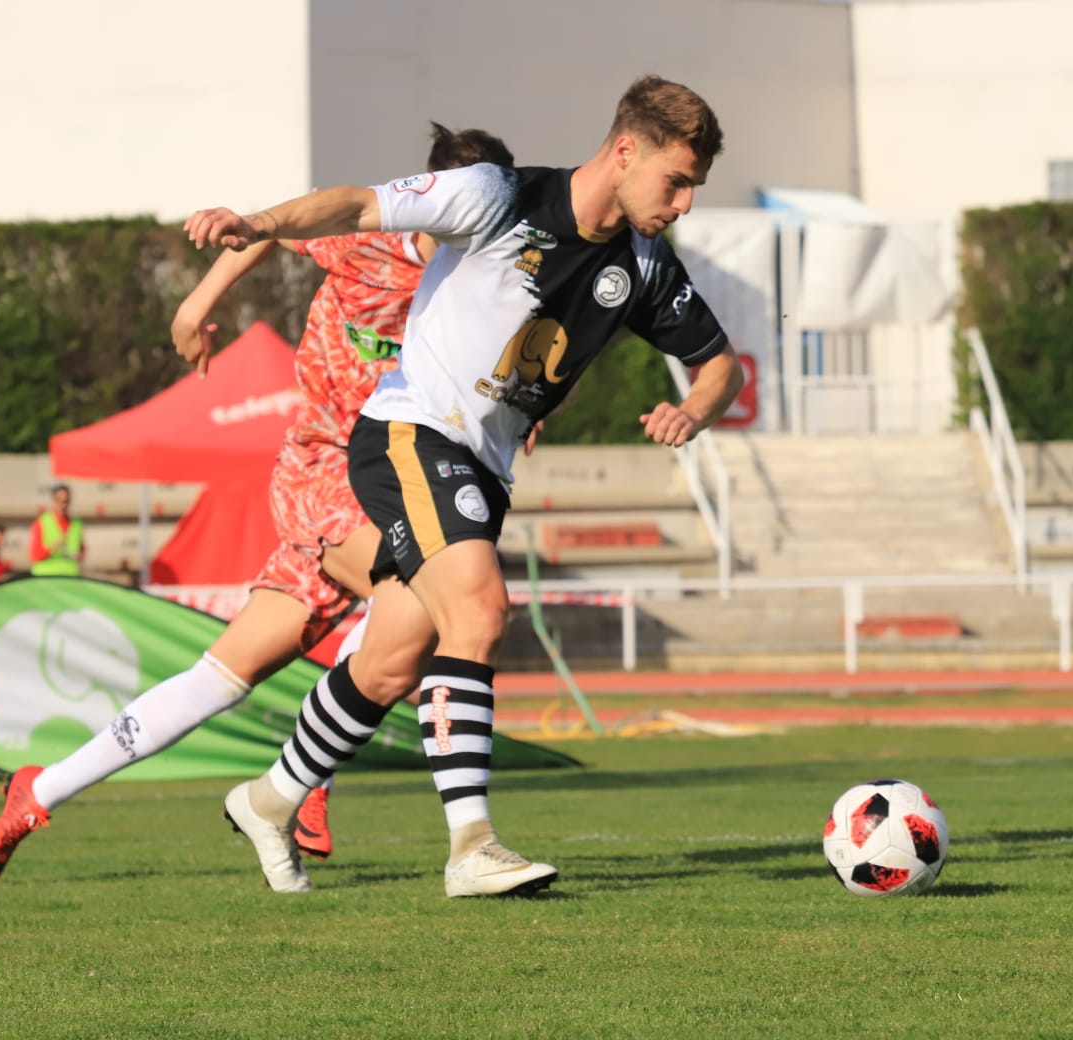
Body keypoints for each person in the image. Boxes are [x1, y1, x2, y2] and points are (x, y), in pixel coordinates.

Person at [183, 74, 743, 897]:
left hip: (483, 464)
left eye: (694, 186)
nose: (686, 202)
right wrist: (259, 223)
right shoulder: (495, 194)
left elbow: (719, 363)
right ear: (626, 151)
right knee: (479, 608)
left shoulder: (647, 266)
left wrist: (695, 411)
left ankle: (269, 799)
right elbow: (354, 204)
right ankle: (471, 844)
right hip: (410, 433)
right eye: (677, 180)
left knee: (392, 658)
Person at [0, 124, 517, 885]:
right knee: (433, 598)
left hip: (399, 480)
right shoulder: (367, 240)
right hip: (327, 467)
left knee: (218, 679)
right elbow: (273, 230)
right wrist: (195, 305)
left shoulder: (490, 278)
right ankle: (316, 783)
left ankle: (42, 788)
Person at [28, 484, 85, 576]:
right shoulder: (41, 522)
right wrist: (54, 546)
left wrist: (79, 556)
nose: (62, 504)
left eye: (65, 501)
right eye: (59, 500)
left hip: (70, 577)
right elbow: (34, 555)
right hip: (46, 576)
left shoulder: (77, 524)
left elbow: (82, 550)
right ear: (53, 501)